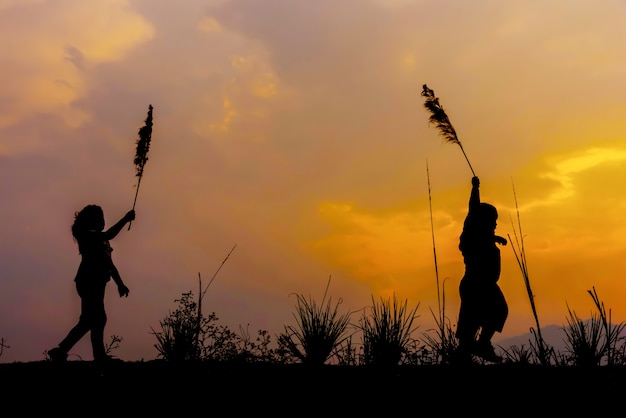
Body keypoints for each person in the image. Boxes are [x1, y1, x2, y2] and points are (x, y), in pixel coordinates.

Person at [47, 205, 135, 362]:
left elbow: (109, 264)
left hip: (96, 282)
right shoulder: (87, 236)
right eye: (99, 218)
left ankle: (64, 351)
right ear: (91, 221)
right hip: (88, 281)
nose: (102, 221)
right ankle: (96, 355)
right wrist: (125, 219)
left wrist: (120, 284)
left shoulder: (100, 241)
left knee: (90, 319)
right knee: (97, 318)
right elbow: (110, 234)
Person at [454, 176, 508, 364]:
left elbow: (480, 228)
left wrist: (495, 238)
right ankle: (477, 348)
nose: (495, 224)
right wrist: (475, 189)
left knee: (492, 314)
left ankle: (476, 348)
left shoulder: (484, 238)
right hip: (477, 286)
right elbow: (473, 212)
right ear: (482, 222)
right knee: (473, 322)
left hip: (483, 286)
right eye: (492, 220)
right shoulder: (473, 238)